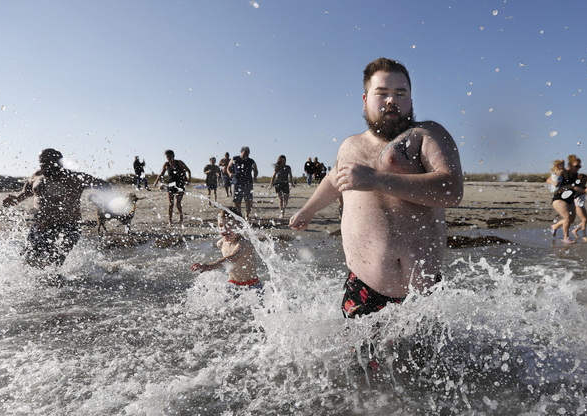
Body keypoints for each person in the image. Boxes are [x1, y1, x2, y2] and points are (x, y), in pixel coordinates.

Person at [289, 57, 464, 319]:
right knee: (356, 361)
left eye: (400, 93)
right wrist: (307, 211)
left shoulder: (427, 134)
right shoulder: (350, 146)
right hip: (364, 290)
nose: (391, 100)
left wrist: (376, 179)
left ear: (411, 99)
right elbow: (334, 180)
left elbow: (451, 190)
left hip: (424, 297)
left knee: (429, 361)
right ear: (365, 99)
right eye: (382, 93)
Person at [3, 148, 108, 268]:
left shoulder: (74, 177)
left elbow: (104, 185)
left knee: (54, 262)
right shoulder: (36, 175)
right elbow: (25, 192)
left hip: (68, 226)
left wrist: (106, 203)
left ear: (58, 162)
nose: (44, 165)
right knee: (29, 261)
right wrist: (15, 199)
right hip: (40, 226)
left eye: (48, 162)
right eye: (42, 162)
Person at [191, 209, 262, 290]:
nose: (224, 228)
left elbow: (232, 258)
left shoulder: (244, 243)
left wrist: (210, 266)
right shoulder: (221, 243)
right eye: (221, 225)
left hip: (252, 286)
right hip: (232, 285)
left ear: (240, 226)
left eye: (229, 225)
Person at [550, 154, 587, 244]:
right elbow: (549, 179)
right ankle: (566, 238)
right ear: (570, 165)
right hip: (559, 198)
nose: (578, 168)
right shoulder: (563, 171)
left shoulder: (576, 175)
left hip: (570, 199)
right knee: (567, 218)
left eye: (580, 166)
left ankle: (554, 226)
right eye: (576, 166)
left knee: (571, 220)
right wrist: (553, 182)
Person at [153, 149, 191, 225]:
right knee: (170, 203)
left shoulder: (179, 162)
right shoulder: (166, 164)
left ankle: (181, 217)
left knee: (178, 203)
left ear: (173, 155)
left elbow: (188, 170)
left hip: (180, 184)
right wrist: (156, 182)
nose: (169, 158)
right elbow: (161, 174)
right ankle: (170, 221)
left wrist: (189, 180)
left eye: (170, 156)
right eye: (167, 157)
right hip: (170, 184)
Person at [227, 147, 258, 220]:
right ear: (241, 152)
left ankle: (247, 215)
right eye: (245, 153)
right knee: (236, 200)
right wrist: (230, 173)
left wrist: (255, 176)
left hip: (248, 182)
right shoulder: (235, 158)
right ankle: (239, 214)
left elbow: (256, 170)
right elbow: (228, 167)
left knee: (249, 200)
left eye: (248, 153)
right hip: (236, 182)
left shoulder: (251, 161)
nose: (246, 155)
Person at [571, 171, 587, 242]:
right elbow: (576, 195)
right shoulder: (577, 187)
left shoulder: (583, 187)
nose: (585, 182)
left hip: (582, 205)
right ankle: (584, 236)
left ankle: (575, 230)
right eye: (584, 180)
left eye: (586, 180)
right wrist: (585, 190)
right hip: (576, 205)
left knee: (586, 220)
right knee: (584, 220)